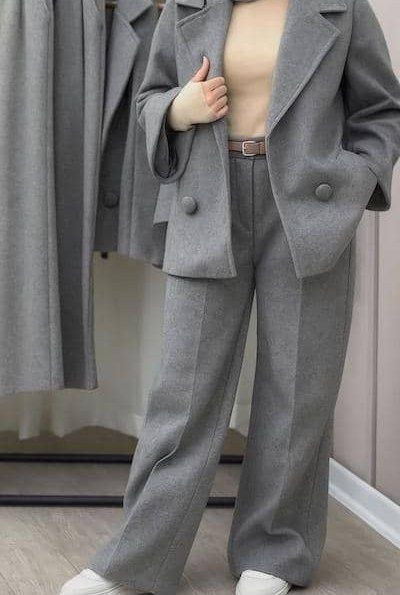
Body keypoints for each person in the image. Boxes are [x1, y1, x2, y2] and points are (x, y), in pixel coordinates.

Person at [60, 0, 400, 593]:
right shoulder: (187, 6)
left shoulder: (341, 7)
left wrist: (354, 180)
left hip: (309, 206)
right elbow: (150, 99)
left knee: (298, 387)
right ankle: (137, 561)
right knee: (184, 393)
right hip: (208, 200)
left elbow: (381, 111)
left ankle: (274, 553)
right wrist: (178, 110)